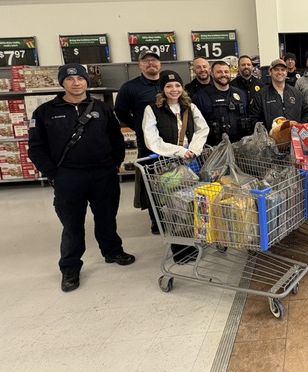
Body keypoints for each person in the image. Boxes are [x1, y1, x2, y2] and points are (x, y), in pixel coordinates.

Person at [28, 64, 135, 293]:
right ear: (62, 83)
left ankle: (112, 251)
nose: (76, 83)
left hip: (103, 174)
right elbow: (36, 148)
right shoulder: (44, 112)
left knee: (107, 217)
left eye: (80, 78)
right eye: (70, 79)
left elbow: (116, 139)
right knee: (72, 224)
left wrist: (113, 164)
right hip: (68, 176)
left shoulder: (103, 109)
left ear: (87, 81)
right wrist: (54, 174)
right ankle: (70, 267)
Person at [142, 70, 210, 263]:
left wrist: (194, 149)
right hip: (168, 165)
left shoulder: (190, 107)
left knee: (194, 203)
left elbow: (202, 129)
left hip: (191, 161)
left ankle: (197, 241)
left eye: (178, 85)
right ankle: (181, 250)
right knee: (175, 207)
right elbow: (152, 139)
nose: (174, 89)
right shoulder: (152, 109)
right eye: (169, 86)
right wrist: (179, 151)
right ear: (162, 89)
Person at [114, 49, 162, 234]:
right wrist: (138, 127)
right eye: (146, 60)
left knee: (176, 179)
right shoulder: (130, 87)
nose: (151, 63)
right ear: (140, 64)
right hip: (147, 144)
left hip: (172, 141)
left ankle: (176, 215)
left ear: (160, 64)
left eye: (154, 60)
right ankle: (156, 219)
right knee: (150, 182)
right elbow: (121, 111)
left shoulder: (168, 82)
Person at [193, 60, 250, 145]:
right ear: (212, 74)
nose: (223, 75)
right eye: (219, 72)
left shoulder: (241, 94)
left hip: (240, 145)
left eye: (226, 72)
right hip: (214, 147)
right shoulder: (200, 97)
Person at [249, 58, 308, 129]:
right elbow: (254, 119)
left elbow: (306, 113)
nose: (280, 72)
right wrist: (267, 132)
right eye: (276, 69)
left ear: (286, 72)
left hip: (294, 135)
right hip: (270, 136)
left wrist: (299, 129)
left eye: (283, 70)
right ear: (270, 72)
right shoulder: (261, 95)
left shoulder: (296, 93)